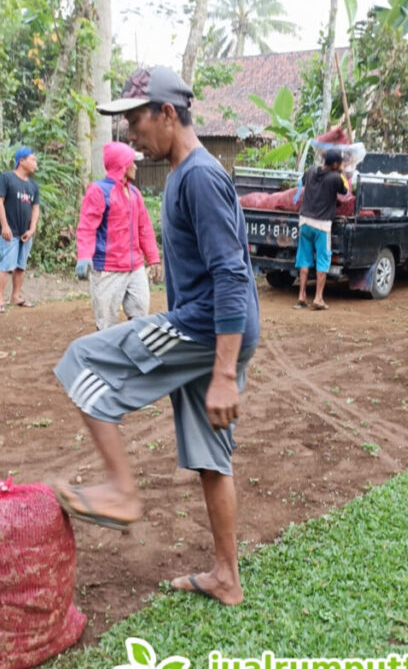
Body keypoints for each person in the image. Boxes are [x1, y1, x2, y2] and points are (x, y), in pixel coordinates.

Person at [54, 66, 260, 606]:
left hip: (205, 328)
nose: (127, 133)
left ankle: (123, 491)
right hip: (212, 327)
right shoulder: (183, 174)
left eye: (135, 119)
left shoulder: (198, 177)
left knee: (83, 362)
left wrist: (222, 374)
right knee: (211, 456)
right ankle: (226, 577)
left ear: (168, 113)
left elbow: (233, 275)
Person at [76, 141, 162, 329]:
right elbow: (87, 227)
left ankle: (135, 353)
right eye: (133, 162)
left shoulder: (135, 194)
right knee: (106, 324)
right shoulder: (98, 191)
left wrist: (153, 258)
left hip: (135, 267)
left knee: (140, 316)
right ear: (123, 166)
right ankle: (106, 356)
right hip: (108, 269)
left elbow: (144, 228)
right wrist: (84, 256)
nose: (136, 167)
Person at [295, 149, 348, 310]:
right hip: (321, 225)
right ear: (334, 164)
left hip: (304, 222)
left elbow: (302, 182)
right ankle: (318, 298)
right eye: (339, 162)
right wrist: (342, 172)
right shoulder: (335, 178)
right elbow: (345, 190)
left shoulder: (311, 171)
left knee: (304, 260)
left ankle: (301, 295)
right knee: (323, 261)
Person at [0, 147, 40, 313]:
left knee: (20, 266)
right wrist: (5, 226)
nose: (35, 164)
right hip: (10, 231)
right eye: (33, 159)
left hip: (25, 232)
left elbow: (35, 208)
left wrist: (32, 229)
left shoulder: (33, 186)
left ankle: (15, 296)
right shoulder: (6, 178)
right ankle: (0, 299)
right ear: (21, 161)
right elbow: (0, 201)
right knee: (6, 266)